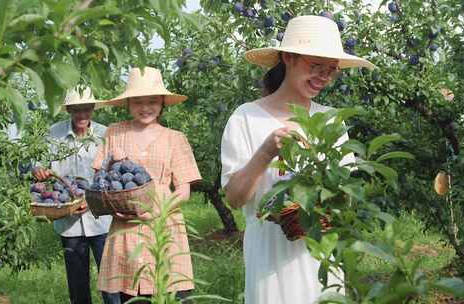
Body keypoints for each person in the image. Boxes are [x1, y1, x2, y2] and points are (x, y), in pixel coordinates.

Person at [220, 15, 375, 304]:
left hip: (322, 254)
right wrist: (266, 152)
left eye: (331, 70)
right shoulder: (246, 117)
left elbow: (345, 195)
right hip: (269, 257)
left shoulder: (330, 120)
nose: (323, 77)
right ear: (288, 57)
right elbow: (235, 198)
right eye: (315, 66)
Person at [93, 67, 201, 303]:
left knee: (167, 291)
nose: (145, 107)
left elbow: (184, 190)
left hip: (164, 227)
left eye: (152, 101)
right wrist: (112, 163)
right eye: (138, 102)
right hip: (125, 228)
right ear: (128, 104)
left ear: (162, 103)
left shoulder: (175, 138)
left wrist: (156, 211)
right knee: (126, 294)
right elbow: (100, 180)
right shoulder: (114, 133)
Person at [32, 87, 119, 304]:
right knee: (77, 284)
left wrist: (92, 201)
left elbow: (112, 175)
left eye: (86, 109)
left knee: (110, 283)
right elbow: (38, 164)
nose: (82, 114)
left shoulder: (105, 134)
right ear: (69, 109)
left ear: (93, 109)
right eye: (77, 109)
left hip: (102, 221)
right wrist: (38, 170)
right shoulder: (53, 134)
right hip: (68, 221)